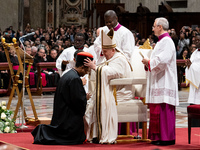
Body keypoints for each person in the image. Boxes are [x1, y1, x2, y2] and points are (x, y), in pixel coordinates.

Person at [31, 52, 94, 145]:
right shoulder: (75, 79)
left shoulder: (68, 74)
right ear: (82, 67)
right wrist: (85, 97)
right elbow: (78, 102)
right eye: (87, 70)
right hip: (68, 122)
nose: (87, 73)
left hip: (61, 116)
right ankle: (43, 131)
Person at [84, 29, 133, 144]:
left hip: (121, 93)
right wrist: (95, 67)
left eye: (105, 51)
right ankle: (96, 134)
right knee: (92, 104)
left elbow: (113, 72)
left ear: (113, 49)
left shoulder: (119, 59)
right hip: (113, 90)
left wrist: (96, 68)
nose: (103, 54)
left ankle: (102, 134)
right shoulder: (112, 57)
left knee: (100, 101)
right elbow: (104, 69)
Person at [142, 17, 179, 145]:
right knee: (157, 110)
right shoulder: (161, 42)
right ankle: (157, 137)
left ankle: (165, 138)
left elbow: (164, 60)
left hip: (165, 81)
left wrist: (149, 62)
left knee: (163, 110)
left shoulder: (167, 42)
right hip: (159, 80)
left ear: (160, 27)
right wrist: (148, 63)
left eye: (154, 26)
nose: (152, 29)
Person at [185, 34, 200, 127]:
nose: (195, 41)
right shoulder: (195, 53)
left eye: (198, 40)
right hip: (195, 84)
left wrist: (191, 66)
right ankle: (194, 125)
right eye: (195, 40)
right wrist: (188, 66)